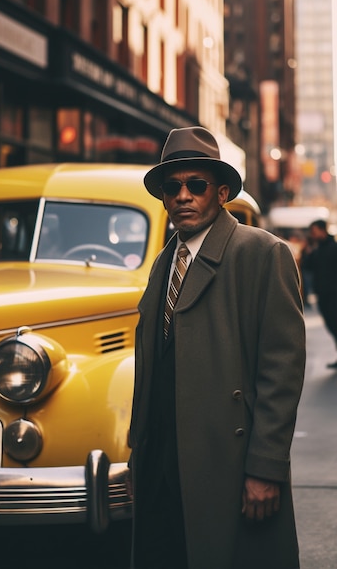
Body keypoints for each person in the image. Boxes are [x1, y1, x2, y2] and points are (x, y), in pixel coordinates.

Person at [128, 126, 306, 569]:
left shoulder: (263, 253)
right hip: (162, 464)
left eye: (197, 185)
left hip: (227, 465)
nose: (183, 196)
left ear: (222, 192)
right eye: (173, 187)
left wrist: (264, 468)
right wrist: (138, 454)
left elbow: (281, 370)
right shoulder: (162, 264)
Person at [304, 219, 337, 368]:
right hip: (323, 295)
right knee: (331, 325)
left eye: (314, 231)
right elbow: (308, 266)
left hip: (333, 295)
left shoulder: (333, 247)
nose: (312, 234)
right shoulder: (317, 249)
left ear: (322, 230)